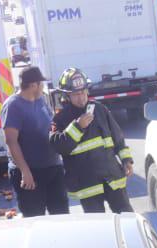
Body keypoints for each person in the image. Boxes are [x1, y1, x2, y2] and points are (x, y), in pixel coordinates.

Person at [49, 67, 133, 213]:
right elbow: (58, 146)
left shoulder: (100, 109)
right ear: (67, 96)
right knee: (98, 227)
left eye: (83, 92)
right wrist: (77, 127)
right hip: (87, 185)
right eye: (75, 94)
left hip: (111, 178)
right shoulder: (60, 119)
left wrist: (126, 160)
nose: (81, 98)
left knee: (126, 217)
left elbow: (118, 137)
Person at [1, 66, 68, 217]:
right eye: (41, 83)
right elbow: (11, 141)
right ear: (33, 85)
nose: (43, 86)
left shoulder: (40, 100)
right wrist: (25, 172)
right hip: (30, 174)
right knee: (35, 219)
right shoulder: (13, 106)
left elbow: (51, 126)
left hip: (53, 168)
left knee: (62, 216)